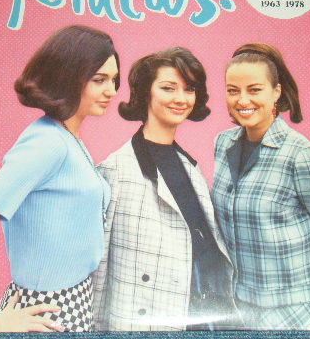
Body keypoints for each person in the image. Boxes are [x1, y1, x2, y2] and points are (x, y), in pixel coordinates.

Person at [0, 24, 120, 332]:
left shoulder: (67, 138)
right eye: (99, 80)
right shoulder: (47, 144)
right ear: (68, 76)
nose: (111, 91)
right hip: (50, 312)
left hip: (76, 302)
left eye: (114, 80)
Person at [92, 47, 240, 331]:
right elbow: (98, 272)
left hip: (201, 317)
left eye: (189, 89)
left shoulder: (191, 168)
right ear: (146, 92)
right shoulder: (115, 171)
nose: (181, 99)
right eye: (168, 88)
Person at [212, 43, 310, 330]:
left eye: (254, 89)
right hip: (241, 307)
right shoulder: (223, 143)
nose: (242, 100)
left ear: (276, 92)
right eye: (233, 90)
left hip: (298, 313)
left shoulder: (303, 155)